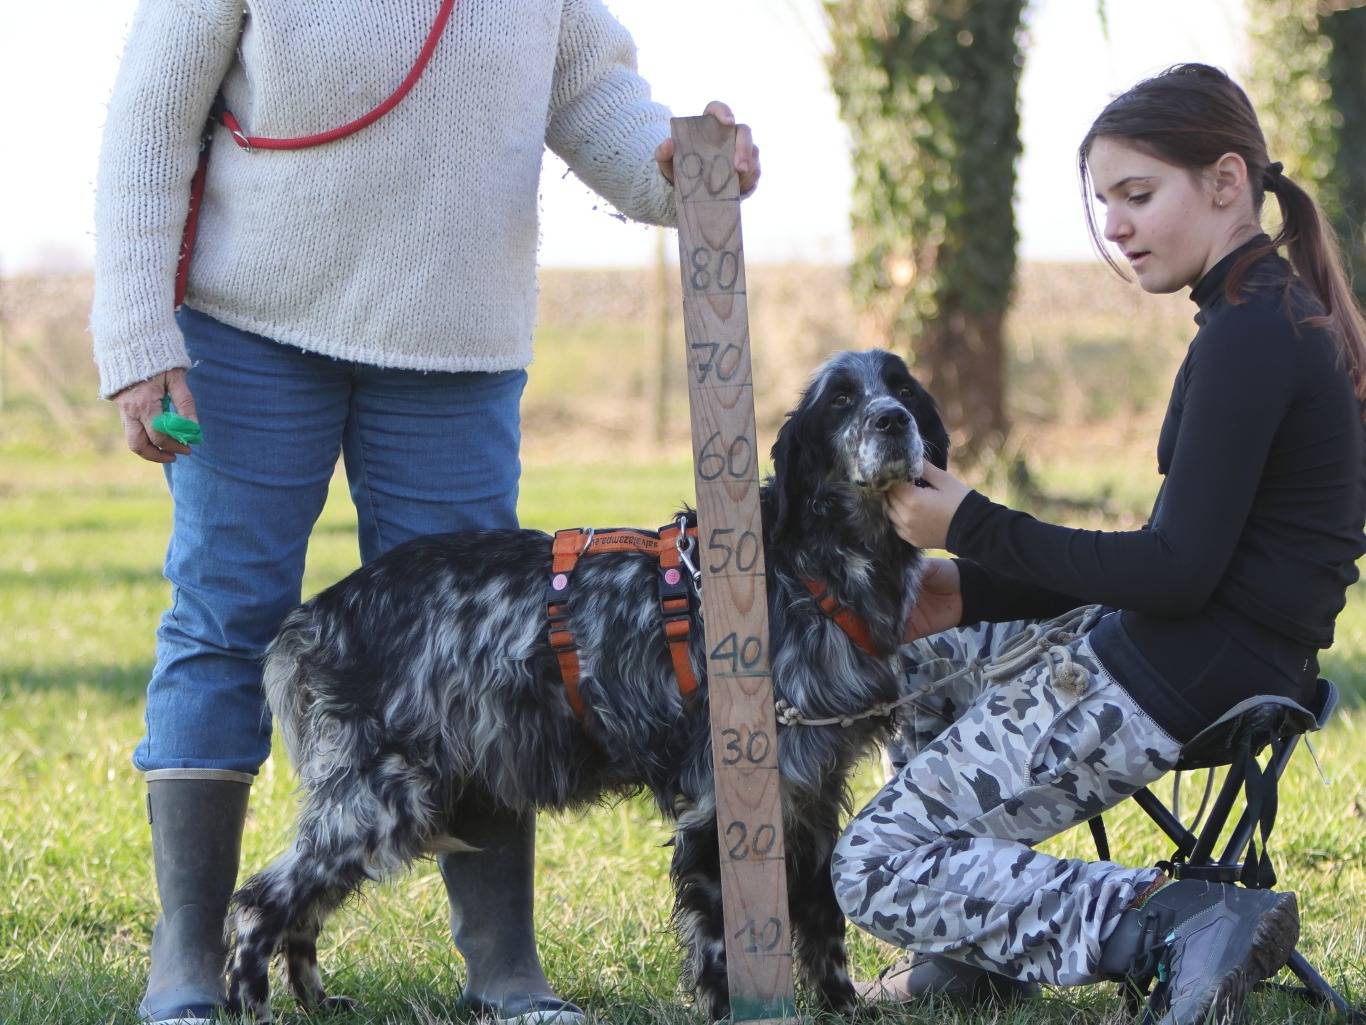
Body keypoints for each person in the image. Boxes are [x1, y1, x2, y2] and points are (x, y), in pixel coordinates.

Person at [90, 2, 759, 1023]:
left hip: (457, 349)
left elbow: (592, 95)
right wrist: (138, 335)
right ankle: (187, 958)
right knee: (224, 619)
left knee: (488, 658)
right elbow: (150, 121)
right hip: (247, 330)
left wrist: (674, 162)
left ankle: (504, 970)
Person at [830, 63, 1365, 1025]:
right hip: (1205, 653)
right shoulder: (1262, 314)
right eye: (1105, 201)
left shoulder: (1251, 336)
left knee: (870, 864)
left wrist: (974, 522)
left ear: (1227, 181)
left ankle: (1175, 923)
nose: (1115, 225)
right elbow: (1181, 553)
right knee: (927, 652)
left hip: (1182, 674)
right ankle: (967, 957)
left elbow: (1176, 572)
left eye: (1138, 194)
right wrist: (972, 587)